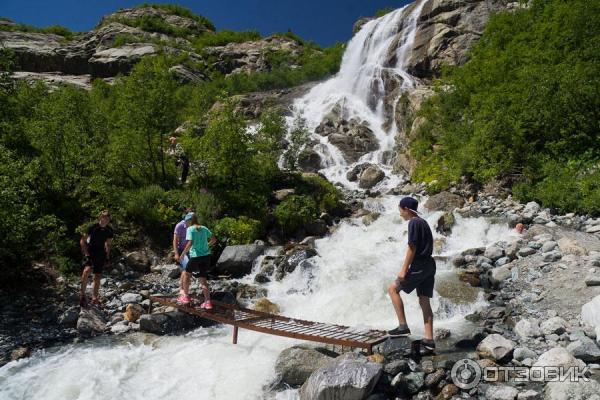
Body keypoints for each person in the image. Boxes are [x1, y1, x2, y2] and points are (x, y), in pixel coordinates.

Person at [387, 197, 436, 354]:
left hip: (419, 265)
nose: (400, 213)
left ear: (406, 209)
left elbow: (412, 246)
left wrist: (404, 269)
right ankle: (429, 340)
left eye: (400, 209)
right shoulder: (423, 221)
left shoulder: (413, 222)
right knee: (424, 301)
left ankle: (403, 326)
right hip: (429, 264)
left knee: (393, 289)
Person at [178, 213, 217, 309]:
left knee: (187, 274)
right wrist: (206, 246)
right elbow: (213, 239)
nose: (186, 223)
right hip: (206, 256)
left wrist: (183, 254)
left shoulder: (190, 229)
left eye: (187, 221)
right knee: (203, 279)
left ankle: (186, 297)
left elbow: (190, 243)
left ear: (190, 220)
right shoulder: (204, 228)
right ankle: (207, 302)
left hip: (196, 256)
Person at [80, 210, 113, 307]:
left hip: (101, 253)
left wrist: (107, 256)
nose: (105, 220)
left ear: (109, 220)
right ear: (100, 218)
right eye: (104, 217)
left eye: (107, 218)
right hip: (91, 251)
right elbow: (82, 241)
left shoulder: (109, 230)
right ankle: (82, 295)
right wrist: (86, 254)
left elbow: (108, 243)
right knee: (86, 271)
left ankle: (94, 298)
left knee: (97, 276)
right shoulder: (92, 227)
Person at [173, 208, 192, 294]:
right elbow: (175, 240)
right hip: (181, 250)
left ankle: (184, 288)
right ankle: (182, 289)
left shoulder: (194, 226)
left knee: (187, 270)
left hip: (190, 250)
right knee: (186, 268)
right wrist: (176, 254)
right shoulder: (179, 226)